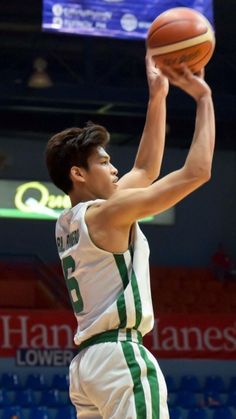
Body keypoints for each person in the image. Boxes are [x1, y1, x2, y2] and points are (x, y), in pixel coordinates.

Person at [45, 55, 215, 419]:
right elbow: (197, 172)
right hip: (119, 357)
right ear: (78, 173)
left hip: (87, 367)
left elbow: (145, 169)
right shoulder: (107, 213)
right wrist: (203, 99)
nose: (114, 168)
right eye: (104, 162)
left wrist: (158, 96)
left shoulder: (68, 221)